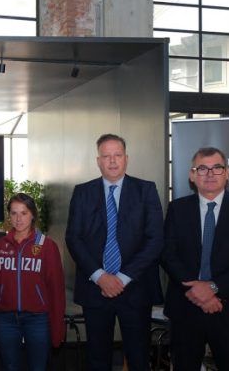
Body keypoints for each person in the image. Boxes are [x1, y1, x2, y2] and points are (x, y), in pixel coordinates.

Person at [162, 146, 229, 370]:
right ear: (192, 175)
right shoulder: (177, 209)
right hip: (186, 309)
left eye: (217, 168)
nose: (210, 174)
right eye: (202, 168)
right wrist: (196, 291)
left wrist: (212, 287)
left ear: (228, 172)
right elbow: (168, 254)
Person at [65, 134, 163, 371]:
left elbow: (155, 239)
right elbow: (73, 238)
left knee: (139, 357)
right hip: (95, 289)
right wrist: (100, 276)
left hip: (135, 288)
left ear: (126, 159)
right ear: (98, 161)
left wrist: (122, 278)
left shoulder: (145, 190)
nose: (112, 161)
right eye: (106, 156)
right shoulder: (83, 192)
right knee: (97, 358)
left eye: (117, 155)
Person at [0, 193, 65, 371]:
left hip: (37, 319)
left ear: (33, 215)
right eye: (14, 213)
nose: (18, 219)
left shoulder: (47, 246)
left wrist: (58, 327)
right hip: (5, 319)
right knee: (10, 367)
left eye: (24, 213)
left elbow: (56, 290)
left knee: (38, 367)